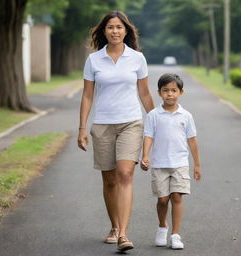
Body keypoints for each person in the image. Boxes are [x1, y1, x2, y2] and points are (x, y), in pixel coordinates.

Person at [77, 10, 154, 252]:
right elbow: (87, 96)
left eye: (119, 27)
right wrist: (82, 128)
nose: (114, 31)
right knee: (109, 179)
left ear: (126, 31)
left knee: (124, 174)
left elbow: (144, 93)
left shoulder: (137, 58)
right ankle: (114, 225)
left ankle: (123, 234)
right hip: (102, 124)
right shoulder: (94, 60)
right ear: (104, 31)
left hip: (131, 122)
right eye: (110, 27)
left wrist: (155, 123)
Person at [140, 73, 201, 249]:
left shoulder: (186, 116)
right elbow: (148, 136)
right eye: (165, 90)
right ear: (159, 92)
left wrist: (197, 164)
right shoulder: (153, 115)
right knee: (162, 199)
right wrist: (145, 155)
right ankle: (162, 226)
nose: (170, 94)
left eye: (174, 90)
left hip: (180, 163)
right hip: (160, 164)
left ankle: (175, 234)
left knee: (177, 197)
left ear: (181, 92)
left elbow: (192, 140)